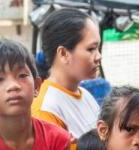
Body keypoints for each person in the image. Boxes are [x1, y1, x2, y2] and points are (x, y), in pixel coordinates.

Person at [32, 8, 102, 140]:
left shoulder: (86, 96)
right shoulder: (46, 109)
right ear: (63, 54)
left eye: (97, 48)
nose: (98, 56)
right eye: (91, 49)